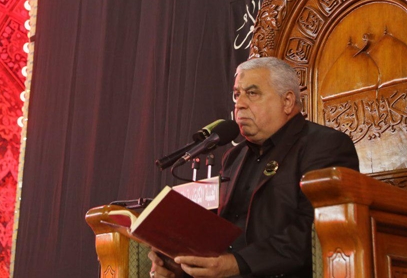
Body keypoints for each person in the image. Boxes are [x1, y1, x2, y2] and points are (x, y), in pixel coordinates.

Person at [149, 57, 360, 278]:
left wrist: (237, 264)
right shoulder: (234, 157)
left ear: (287, 101)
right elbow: (219, 238)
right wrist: (181, 266)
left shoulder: (325, 145)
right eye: (237, 94)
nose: (239, 104)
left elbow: (316, 231)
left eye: (252, 93)